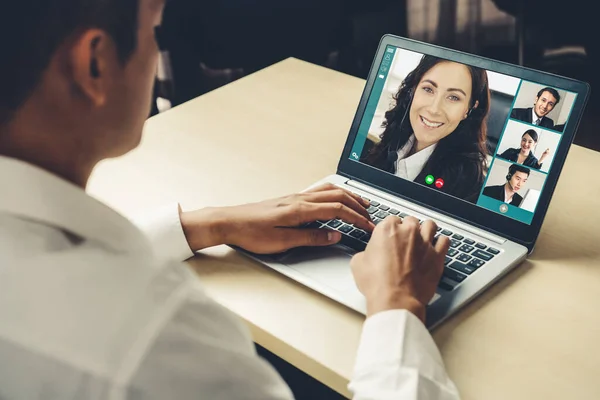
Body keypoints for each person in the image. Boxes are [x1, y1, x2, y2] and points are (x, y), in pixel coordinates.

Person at [0, 1, 459, 399]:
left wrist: (208, 224)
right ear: (94, 66)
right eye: (153, 32)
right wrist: (398, 303)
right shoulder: (154, 342)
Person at [361, 54, 491, 203]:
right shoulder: (395, 137)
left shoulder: (469, 187)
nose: (434, 109)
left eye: (454, 97)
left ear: (469, 108)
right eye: (428, 89)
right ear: (414, 89)